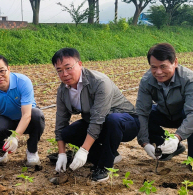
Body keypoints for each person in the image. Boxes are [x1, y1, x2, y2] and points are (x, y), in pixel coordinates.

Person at [53, 48, 138, 183]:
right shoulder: (63, 90)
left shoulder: (99, 82)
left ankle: (104, 166)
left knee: (112, 120)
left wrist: (84, 151)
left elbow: (98, 119)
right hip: (99, 123)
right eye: (59, 70)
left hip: (125, 122)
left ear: (80, 64)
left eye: (68, 68)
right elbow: (60, 122)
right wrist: (61, 153)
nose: (65, 74)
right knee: (68, 132)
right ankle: (108, 155)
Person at [135, 43, 193, 172]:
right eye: (153, 67)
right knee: (143, 115)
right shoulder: (146, 80)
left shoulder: (190, 79)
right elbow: (141, 112)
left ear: (175, 62)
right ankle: (166, 146)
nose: (158, 72)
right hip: (168, 112)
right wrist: (144, 143)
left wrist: (177, 137)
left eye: (163, 66)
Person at [0, 55, 45, 168]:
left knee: (37, 116)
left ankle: (32, 150)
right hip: (6, 118)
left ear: (8, 69)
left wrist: (15, 137)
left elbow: (27, 115)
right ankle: (2, 150)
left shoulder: (22, 82)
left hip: (27, 118)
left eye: (2, 71)